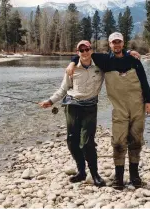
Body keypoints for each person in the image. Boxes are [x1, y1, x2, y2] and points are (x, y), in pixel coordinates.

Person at [66, 32, 150, 190]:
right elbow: (85, 55)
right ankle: (119, 178)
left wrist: (149, 100)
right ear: (110, 45)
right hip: (119, 109)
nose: (117, 45)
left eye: (119, 42)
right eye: (114, 43)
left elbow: (144, 80)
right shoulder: (104, 60)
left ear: (123, 43)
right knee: (118, 142)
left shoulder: (134, 59)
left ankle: (134, 176)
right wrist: (72, 63)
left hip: (138, 106)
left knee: (136, 141)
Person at [39, 40, 106, 187]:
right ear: (78, 53)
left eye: (87, 49)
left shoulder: (101, 66)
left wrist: (130, 53)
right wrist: (50, 101)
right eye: (81, 50)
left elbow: (117, 59)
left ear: (91, 50)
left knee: (87, 143)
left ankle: (95, 174)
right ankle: (81, 172)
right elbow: (63, 90)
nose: (85, 52)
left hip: (90, 107)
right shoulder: (71, 69)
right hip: (72, 106)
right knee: (71, 140)